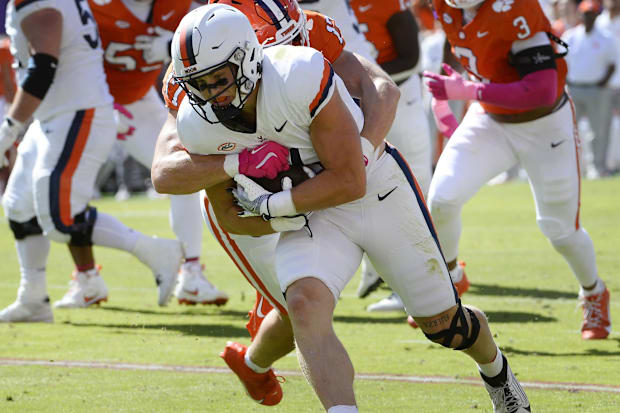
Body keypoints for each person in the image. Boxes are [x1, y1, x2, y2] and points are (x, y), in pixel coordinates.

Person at [156, 4, 532, 412]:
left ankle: (497, 373)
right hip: (309, 211)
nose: (212, 94)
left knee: (445, 326)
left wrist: (356, 158)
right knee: (302, 305)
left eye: (219, 79)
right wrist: (247, 176)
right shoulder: (199, 117)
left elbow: (358, 161)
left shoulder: (300, 67)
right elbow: (203, 198)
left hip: (370, 189)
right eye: (201, 84)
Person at [158, 0, 399, 405]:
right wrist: (238, 161)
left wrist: (359, 156)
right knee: (301, 306)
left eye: (287, 39)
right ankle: (256, 365)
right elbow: (164, 171)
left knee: (307, 302)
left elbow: (381, 89)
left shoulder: (307, 28)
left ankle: (251, 364)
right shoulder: (198, 60)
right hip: (248, 201)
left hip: (319, 183)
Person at [423, 0, 611, 339]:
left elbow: (541, 90)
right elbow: (461, 49)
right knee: (442, 199)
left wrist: (467, 90)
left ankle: (593, 291)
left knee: (559, 230)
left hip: (544, 124)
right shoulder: (445, 6)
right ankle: (449, 284)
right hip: (489, 118)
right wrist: (443, 96)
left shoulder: (516, 9)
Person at [0, 0, 183, 322]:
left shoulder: (41, 6)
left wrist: (10, 127)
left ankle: (155, 251)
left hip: (75, 113)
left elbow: (43, 66)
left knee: (61, 218)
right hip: (57, 114)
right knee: (18, 205)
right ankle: (33, 298)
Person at [82, 0, 228, 307]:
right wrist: (101, 101)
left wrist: (175, 44)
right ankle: (84, 279)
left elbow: (213, 31)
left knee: (181, 172)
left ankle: (190, 272)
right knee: (63, 194)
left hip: (137, 104)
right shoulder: (94, 7)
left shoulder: (180, 6)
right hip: (88, 105)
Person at [350, 0, 437, 313]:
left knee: (414, 186)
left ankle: (421, 281)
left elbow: (412, 58)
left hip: (396, 96)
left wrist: (367, 85)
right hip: (357, 101)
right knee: (363, 183)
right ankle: (382, 268)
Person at [563, 0, 617, 178]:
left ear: (596, 16)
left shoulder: (606, 37)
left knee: (599, 131)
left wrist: (602, 83)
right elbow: (562, 62)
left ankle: (597, 167)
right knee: (567, 130)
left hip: (597, 89)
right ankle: (569, 167)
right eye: (585, 14)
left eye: (592, 14)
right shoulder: (570, 36)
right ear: (580, 15)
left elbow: (612, 64)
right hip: (574, 89)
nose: (588, 18)